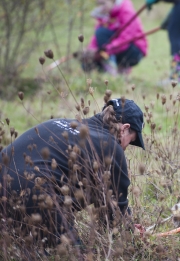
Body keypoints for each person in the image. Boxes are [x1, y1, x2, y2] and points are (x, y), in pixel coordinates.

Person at [0, 97, 145, 249]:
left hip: (5, 189)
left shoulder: (58, 123)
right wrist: (130, 231)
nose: (126, 147)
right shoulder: (110, 147)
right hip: (34, 194)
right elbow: (115, 210)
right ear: (124, 129)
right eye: (131, 140)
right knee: (75, 254)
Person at [84, 0, 148, 76]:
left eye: (103, 3)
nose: (101, 8)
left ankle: (112, 70)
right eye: (98, 4)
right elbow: (96, 38)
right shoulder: (105, 15)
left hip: (134, 49)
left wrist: (107, 50)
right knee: (87, 63)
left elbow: (126, 38)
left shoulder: (126, 11)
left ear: (112, 0)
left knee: (101, 33)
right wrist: (91, 50)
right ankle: (117, 72)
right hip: (114, 48)